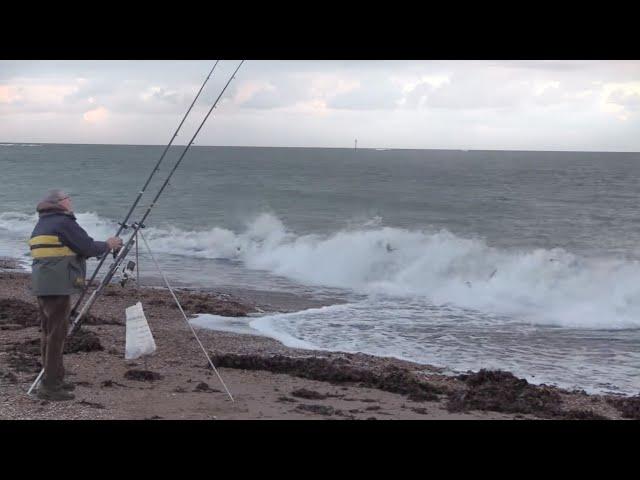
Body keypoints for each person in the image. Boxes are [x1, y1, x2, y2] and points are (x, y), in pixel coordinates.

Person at [29, 189, 123, 401]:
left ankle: (54, 379)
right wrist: (109, 244)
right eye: (67, 199)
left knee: (48, 332)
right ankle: (50, 386)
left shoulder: (42, 223)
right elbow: (87, 247)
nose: (70, 201)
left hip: (42, 285)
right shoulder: (63, 222)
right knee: (56, 335)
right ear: (59, 203)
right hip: (58, 286)